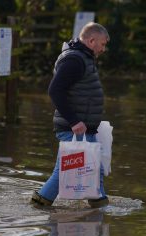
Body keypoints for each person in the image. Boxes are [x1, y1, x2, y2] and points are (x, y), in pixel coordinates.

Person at [31, 22, 110, 208]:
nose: (104, 49)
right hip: (74, 128)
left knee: (93, 171)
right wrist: (74, 121)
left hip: (83, 128)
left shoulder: (83, 58)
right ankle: (38, 206)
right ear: (91, 40)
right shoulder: (74, 60)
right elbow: (55, 90)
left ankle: (101, 211)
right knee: (64, 173)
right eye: (103, 44)